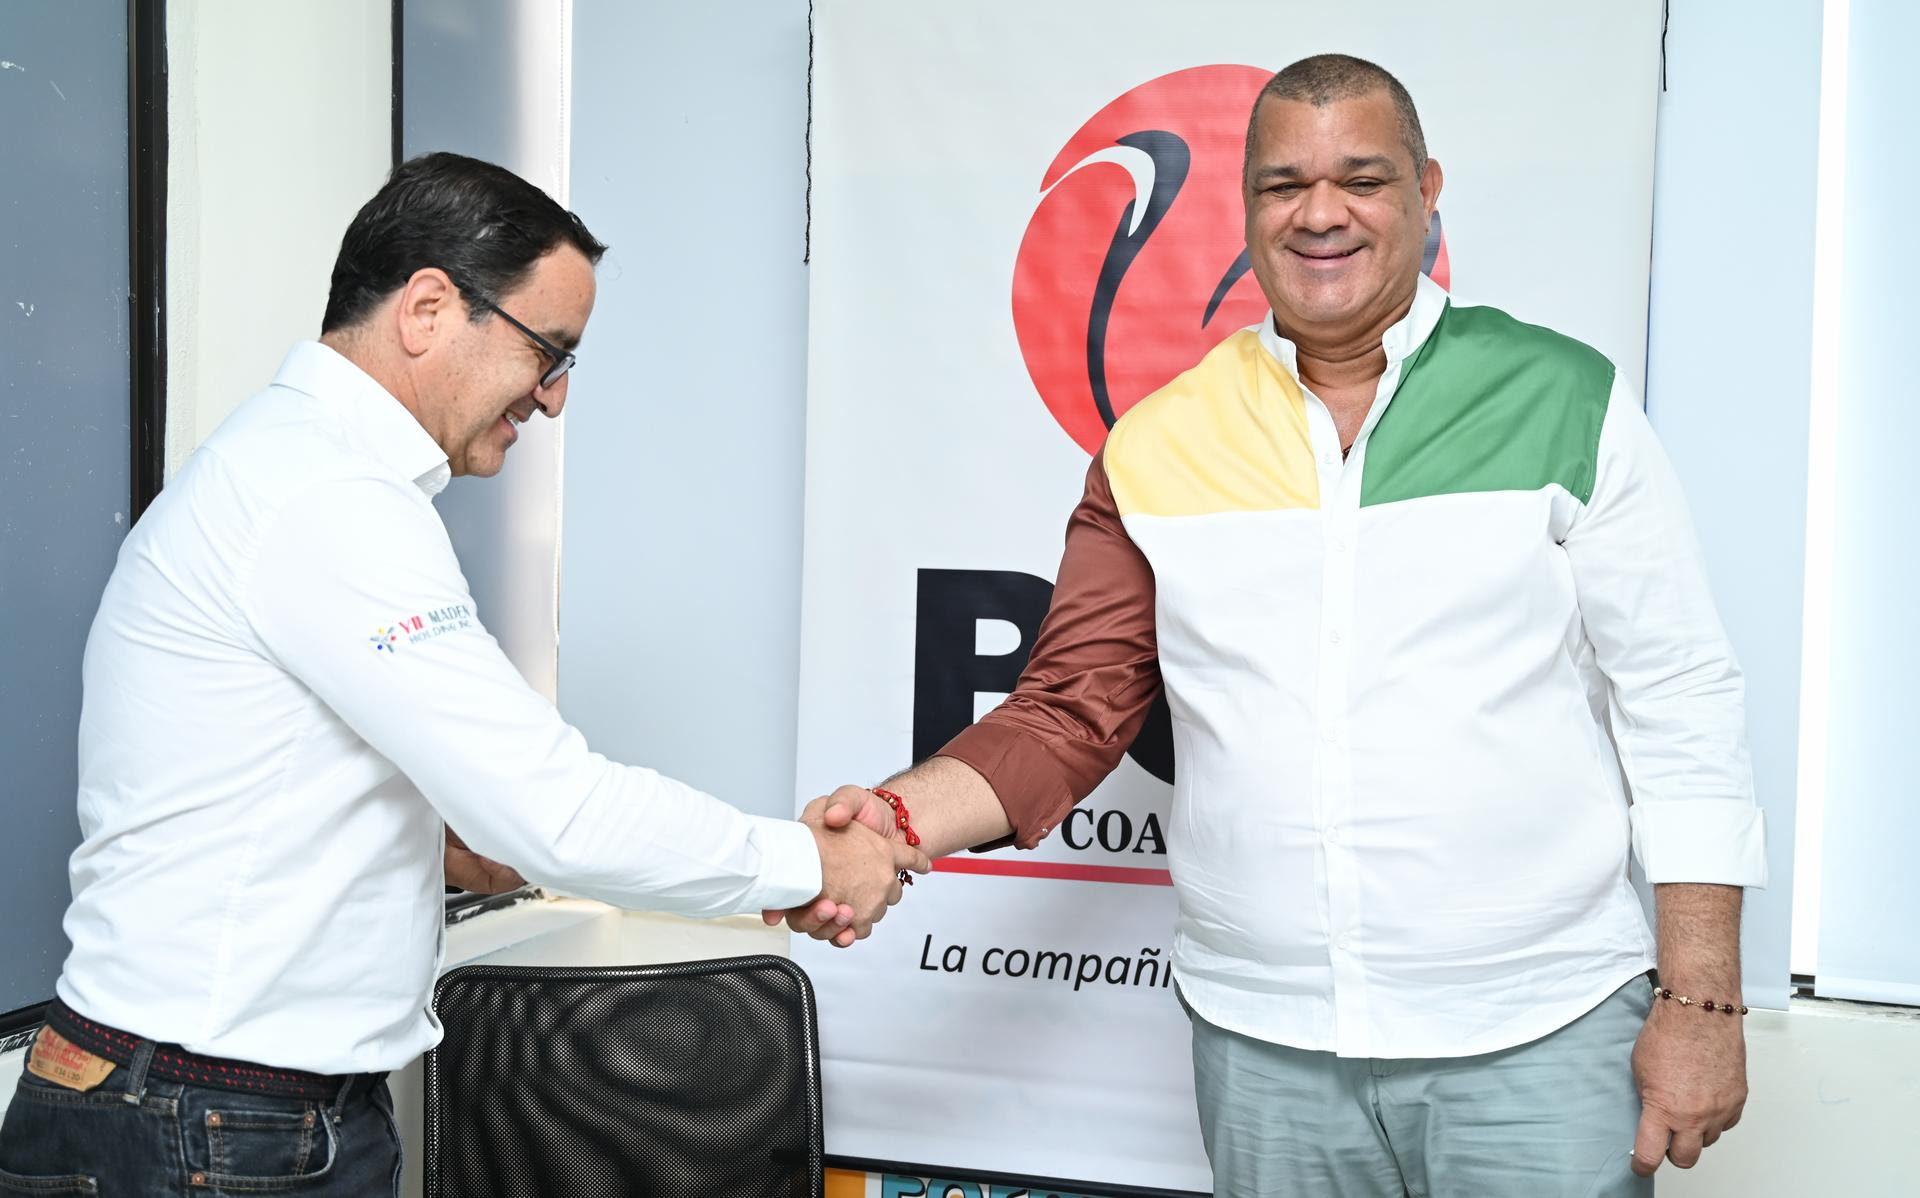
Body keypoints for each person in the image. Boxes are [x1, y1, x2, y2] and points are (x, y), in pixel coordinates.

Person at [774, 54, 1765, 1197]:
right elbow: (1068, 708)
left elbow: (1682, 704)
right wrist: (892, 821)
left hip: (1540, 1034)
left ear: (1428, 190)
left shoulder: (1566, 397)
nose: (1321, 213)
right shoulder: (1156, 441)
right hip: (1265, 1053)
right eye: (1285, 184)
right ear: (1245, 211)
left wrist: (1700, 1001)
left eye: (1363, 178)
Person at [0, 151, 925, 1195]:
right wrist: (811, 862)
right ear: (430, 307)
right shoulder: (329, 497)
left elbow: (254, 780)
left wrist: (425, 847)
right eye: (549, 351)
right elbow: (553, 810)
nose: (556, 398)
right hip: (213, 1123)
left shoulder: (284, 468)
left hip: (180, 1103)